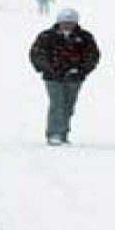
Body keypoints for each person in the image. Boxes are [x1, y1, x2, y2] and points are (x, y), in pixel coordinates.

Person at [30, 8, 100, 145]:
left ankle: (63, 133)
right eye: (65, 22)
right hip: (53, 78)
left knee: (68, 105)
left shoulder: (85, 37)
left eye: (71, 22)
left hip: (75, 78)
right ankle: (53, 133)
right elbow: (37, 54)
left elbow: (93, 56)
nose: (67, 25)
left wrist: (82, 70)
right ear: (59, 22)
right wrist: (48, 69)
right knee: (57, 104)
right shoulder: (47, 36)